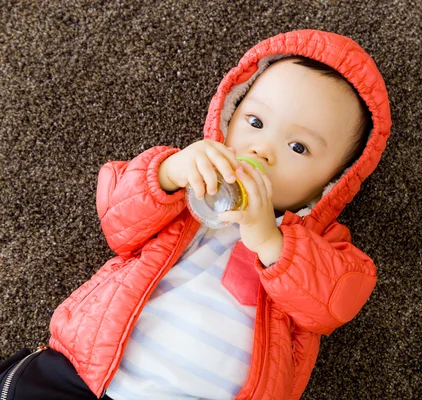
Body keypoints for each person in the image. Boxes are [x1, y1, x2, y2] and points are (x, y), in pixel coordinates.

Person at [0, 29, 391, 399]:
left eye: (298, 147)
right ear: (230, 115)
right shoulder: (189, 185)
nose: (262, 150)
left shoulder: (324, 245)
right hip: (87, 372)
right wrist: (168, 173)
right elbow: (117, 219)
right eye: (254, 123)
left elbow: (336, 303)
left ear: (335, 181)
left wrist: (270, 241)